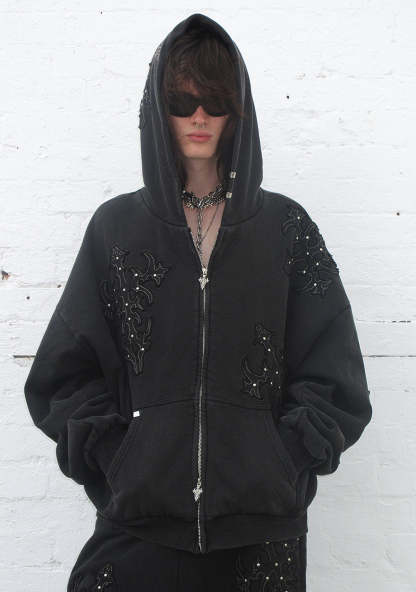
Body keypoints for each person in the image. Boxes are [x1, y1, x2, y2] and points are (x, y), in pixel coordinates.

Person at [23, 12, 372, 592]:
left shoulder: (285, 229)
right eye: (182, 101)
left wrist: (282, 459)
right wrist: (118, 458)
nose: (200, 116)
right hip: (139, 526)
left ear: (239, 110)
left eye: (216, 101)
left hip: (260, 534)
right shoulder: (117, 229)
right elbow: (62, 373)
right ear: (159, 110)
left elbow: (337, 377)